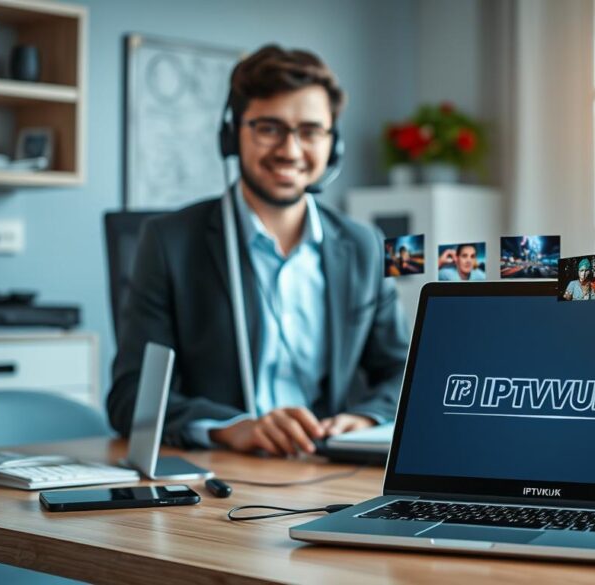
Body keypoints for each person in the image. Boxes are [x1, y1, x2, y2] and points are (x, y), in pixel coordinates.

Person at [107, 45, 409, 456]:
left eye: (310, 131)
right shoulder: (168, 241)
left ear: (332, 144)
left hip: (328, 470)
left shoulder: (364, 246)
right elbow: (130, 398)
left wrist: (368, 418)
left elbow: (402, 370)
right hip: (224, 474)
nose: (290, 150)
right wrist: (231, 428)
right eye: (269, 128)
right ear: (232, 135)